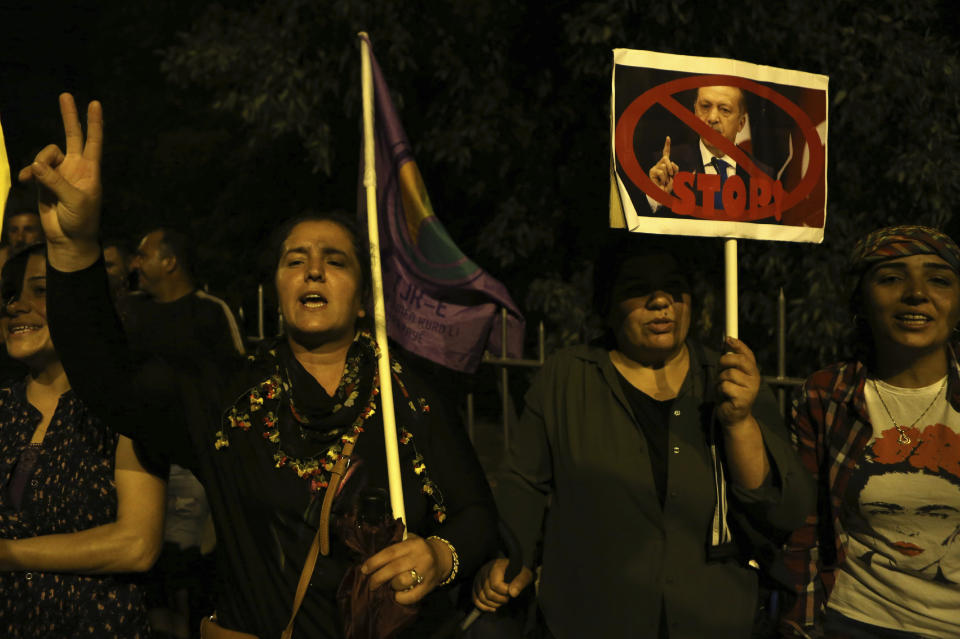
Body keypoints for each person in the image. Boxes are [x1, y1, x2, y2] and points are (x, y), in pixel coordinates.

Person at [22, 93, 498, 638]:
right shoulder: (227, 393)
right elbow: (109, 382)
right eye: (295, 260)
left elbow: (478, 515)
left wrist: (441, 554)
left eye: (335, 261)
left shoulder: (408, 398)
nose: (313, 270)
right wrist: (74, 250)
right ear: (278, 289)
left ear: (365, 299)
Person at [473, 231, 814, 638]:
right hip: (593, 619)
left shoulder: (730, 379)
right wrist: (513, 557)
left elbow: (786, 510)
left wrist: (740, 423)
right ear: (607, 304)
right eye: (638, 289)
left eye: (674, 287)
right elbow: (523, 483)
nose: (660, 301)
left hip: (713, 619)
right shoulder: (566, 378)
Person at [780, 225, 960, 638]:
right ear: (861, 299)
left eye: (938, 279)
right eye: (891, 278)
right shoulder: (828, 395)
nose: (916, 293)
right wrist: (803, 625)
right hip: (857, 621)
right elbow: (804, 529)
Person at [0, 243, 166, 637]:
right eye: (9, 294)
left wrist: (10, 555)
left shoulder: (127, 407)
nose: (15, 306)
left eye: (40, 291)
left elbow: (137, 544)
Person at [646, 85, 774, 216]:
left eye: (724, 109)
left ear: (740, 124)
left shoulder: (763, 176)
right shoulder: (666, 167)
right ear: (695, 111)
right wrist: (656, 197)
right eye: (705, 107)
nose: (712, 118)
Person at [125, 226, 245, 360]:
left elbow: (238, 373)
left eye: (142, 256)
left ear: (169, 263)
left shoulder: (212, 310)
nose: (134, 265)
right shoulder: (129, 308)